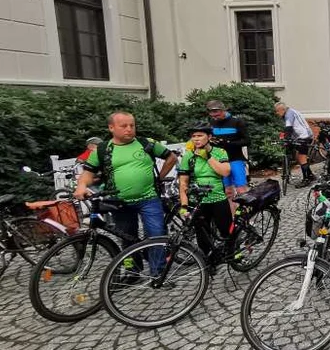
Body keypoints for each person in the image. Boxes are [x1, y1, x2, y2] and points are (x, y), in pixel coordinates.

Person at [74, 111, 177, 276]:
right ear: (111, 128)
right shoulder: (102, 149)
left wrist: (160, 177)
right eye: (124, 126)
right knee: (127, 238)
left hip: (149, 199)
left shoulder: (146, 143)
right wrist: (81, 186)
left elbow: (171, 158)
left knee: (157, 235)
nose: (129, 129)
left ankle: (158, 273)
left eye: (132, 125)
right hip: (119, 201)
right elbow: (88, 172)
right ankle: (132, 272)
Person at [178, 122, 233, 257]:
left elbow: (225, 172)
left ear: (209, 136)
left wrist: (208, 157)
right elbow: (183, 183)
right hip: (198, 201)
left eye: (200, 135)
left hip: (218, 198)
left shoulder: (219, 152)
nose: (196, 139)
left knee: (226, 231)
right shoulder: (188, 156)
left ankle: (234, 255)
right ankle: (208, 262)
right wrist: (184, 205)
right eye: (193, 136)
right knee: (202, 235)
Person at [207, 100, 250, 202]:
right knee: (227, 191)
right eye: (212, 116)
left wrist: (229, 143)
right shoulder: (211, 123)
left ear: (223, 110)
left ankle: (245, 215)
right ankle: (231, 216)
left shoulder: (237, 122)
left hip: (235, 158)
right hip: (221, 160)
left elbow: (247, 141)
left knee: (241, 190)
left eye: (217, 115)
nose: (215, 118)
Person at [275, 102, 316, 188]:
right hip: (303, 136)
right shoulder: (291, 111)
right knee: (298, 156)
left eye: (277, 111)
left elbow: (288, 128)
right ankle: (310, 175)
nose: (277, 113)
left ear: (282, 109)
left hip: (304, 137)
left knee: (301, 157)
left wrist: (286, 139)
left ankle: (306, 179)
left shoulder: (288, 114)